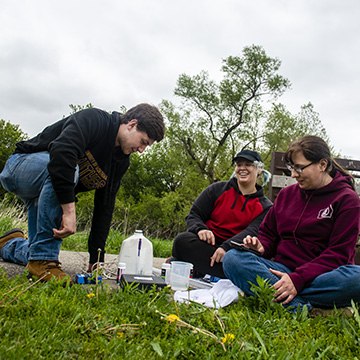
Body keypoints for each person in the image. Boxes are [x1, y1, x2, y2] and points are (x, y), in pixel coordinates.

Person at [0, 104, 165, 283]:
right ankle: (44, 260)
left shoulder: (120, 162)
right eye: (143, 142)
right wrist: (69, 211)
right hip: (19, 167)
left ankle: (10, 245)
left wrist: (96, 259)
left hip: (45, 191)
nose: (141, 150)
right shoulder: (95, 120)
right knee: (70, 167)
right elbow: (62, 152)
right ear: (132, 124)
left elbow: (105, 206)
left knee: (36, 249)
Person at [223, 135, 360, 312]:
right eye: (291, 168)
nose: (294, 175)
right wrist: (261, 247)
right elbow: (268, 234)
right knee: (232, 259)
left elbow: (338, 254)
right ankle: (305, 309)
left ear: (323, 165)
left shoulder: (347, 200)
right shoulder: (287, 195)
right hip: (282, 270)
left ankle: (278, 296)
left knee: (357, 278)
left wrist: (298, 279)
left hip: (323, 276)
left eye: (300, 168)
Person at [172, 150, 273, 278]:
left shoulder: (266, 207)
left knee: (240, 260)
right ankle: (222, 274)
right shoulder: (217, 189)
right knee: (182, 241)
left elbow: (252, 232)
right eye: (239, 164)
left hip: (234, 251)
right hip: (208, 244)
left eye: (248, 164)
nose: (242, 168)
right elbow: (194, 214)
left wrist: (226, 247)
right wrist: (200, 229)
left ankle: (199, 268)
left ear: (259, 169)